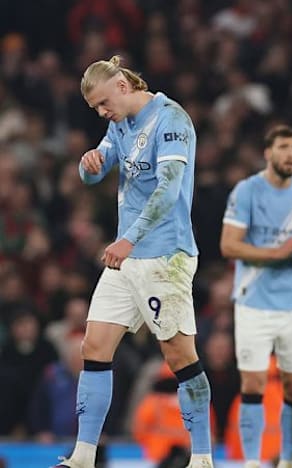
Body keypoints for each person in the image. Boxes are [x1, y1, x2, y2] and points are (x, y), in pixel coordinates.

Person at [55, 55, 212, 468]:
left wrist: (128, 239)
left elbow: (168, 191)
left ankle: (202, 458)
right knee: (94, 345)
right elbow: (98, 169)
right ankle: (83, 456)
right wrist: (88, 165)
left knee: (179, 357)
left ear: (123, 87)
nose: (102, 113)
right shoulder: (119, 123)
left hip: (165, 255)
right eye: (96, 108)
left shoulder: (172, 120)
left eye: (104, 104)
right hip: (127, 258)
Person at [220, 124, 292, 468]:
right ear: (268, 153)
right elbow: (229, 245)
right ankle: (252, 461)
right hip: (253, 302)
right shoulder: (247, 191)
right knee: (253, 383)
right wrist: (279, 252)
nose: (291, 154)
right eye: (284, 147)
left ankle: (287, 460)